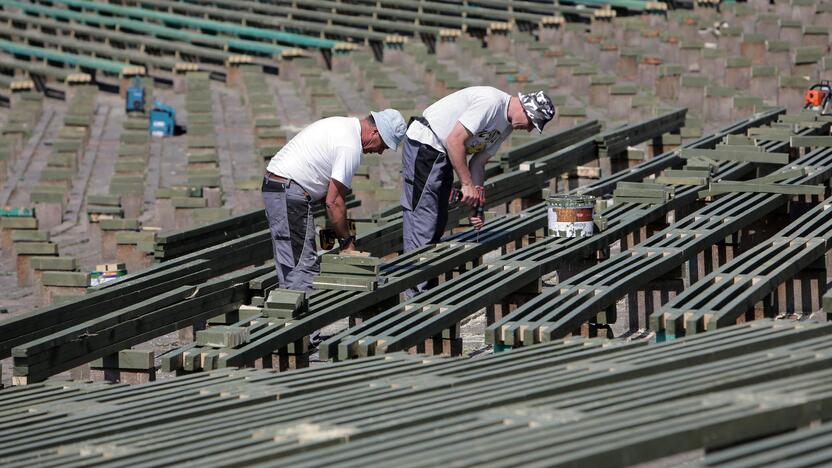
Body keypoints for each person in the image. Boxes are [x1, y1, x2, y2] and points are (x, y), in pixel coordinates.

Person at [401, 87, 556, 296]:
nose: (529, 129)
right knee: (424, 218)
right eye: (531, 123)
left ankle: (424, 290)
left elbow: (479, 163)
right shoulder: (491, 103)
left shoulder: (507, 125)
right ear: (526, 109)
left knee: (438, 220)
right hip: (427, 144)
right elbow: (454, 141)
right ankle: (416, 298)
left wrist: (477, 207)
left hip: (443, 153)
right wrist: (466, 184)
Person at [263, 109, 406, 291]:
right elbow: (334, 201)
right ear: (375, 132)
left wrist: (338, 231)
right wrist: (347, 242)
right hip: (289, 192)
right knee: (303, 267)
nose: (379, 152)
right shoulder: (350, 147)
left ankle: (288, 310)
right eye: (383, 145)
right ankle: (304, 315)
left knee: (291, 262)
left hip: (278, 188)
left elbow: (329, 197)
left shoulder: (343, 126)